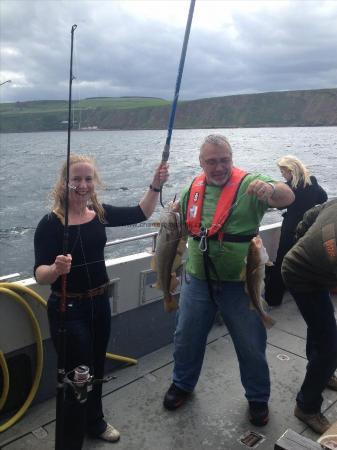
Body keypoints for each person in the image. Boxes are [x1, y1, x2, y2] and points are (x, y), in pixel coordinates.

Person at [34, 154, 168, 449]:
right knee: (76, 377)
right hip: (68, 309)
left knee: (95, 367)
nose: (83, 185)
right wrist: (56, 269)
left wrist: (155, 185)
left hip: (98, 304)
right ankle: (69, 442)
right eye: (76, 179)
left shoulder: (100, 213)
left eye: (88, 178)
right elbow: (40, 274)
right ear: (64, 182)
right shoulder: (50, 224)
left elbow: (141, 213)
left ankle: (94, 421)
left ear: (94, 182)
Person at [163, 134, 294, 426]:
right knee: (186, 337)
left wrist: (270, 188)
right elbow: (179, 230)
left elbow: (288, 195)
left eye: (225, 160)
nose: (219, 167)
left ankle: (258, 398)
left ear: (232, 159)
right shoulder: (192, 189)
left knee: (250, 343)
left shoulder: (250, 184)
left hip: (240, 283)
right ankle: (182, 383)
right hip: (197, 280)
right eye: (212, 161)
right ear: (201, 163)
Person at [281, 199, 337, 434]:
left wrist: (302, 241)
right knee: (331, 346)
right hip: (298, 274)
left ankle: (320, 373)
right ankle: (307, 406)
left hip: (318, 270)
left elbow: (309, 215)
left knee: (322, 326)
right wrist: (308, 254)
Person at [265, 155, 327, 306]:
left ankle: (274, 299)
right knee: (306, 261)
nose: (282, 174)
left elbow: (279, 206)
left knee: (282, 261)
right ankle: (311, 296)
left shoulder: (288, 187)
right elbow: (323, 198)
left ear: (290, 170)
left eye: (283, 171)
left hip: (291, 228)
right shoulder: (312, 181)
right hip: (308, 227)